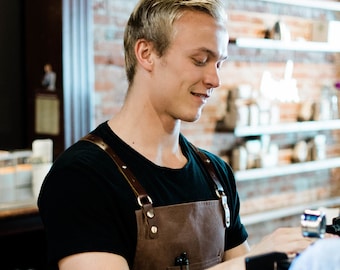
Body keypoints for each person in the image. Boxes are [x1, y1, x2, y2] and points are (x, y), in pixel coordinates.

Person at [38, 1, 315, 269]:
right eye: (200, 60)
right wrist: (249, 262)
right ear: (146, 54)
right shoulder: (81, 177)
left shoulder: (216, 174)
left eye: (218, 63)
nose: (215, 80)